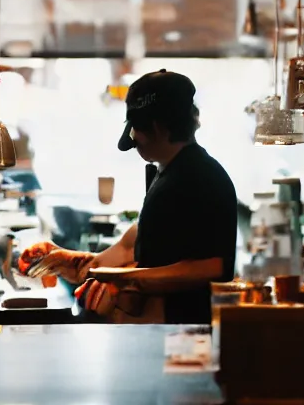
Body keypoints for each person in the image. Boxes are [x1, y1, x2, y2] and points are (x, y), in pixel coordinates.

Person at [35, 69, 237, 324]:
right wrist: (71, 261)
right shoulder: (168, 172)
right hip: (155, 326)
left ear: (158, 127)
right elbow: (133, 245)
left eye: (136, 130)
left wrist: (128, 280)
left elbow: (214, 267)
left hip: (180, 329)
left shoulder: (200, 176)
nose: (133, 141)